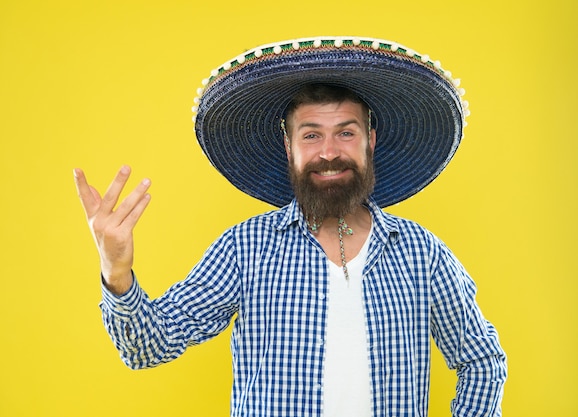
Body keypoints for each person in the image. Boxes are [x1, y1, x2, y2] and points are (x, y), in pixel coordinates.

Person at [74, 37, 507, 416]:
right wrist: (116, 272)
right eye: (311, 135)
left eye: (346, 133)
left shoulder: (422, 254)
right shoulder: (246, 249)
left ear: (370, 141)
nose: (329, 152)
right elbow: (148, 347)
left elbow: (483, 360)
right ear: (289, 147)